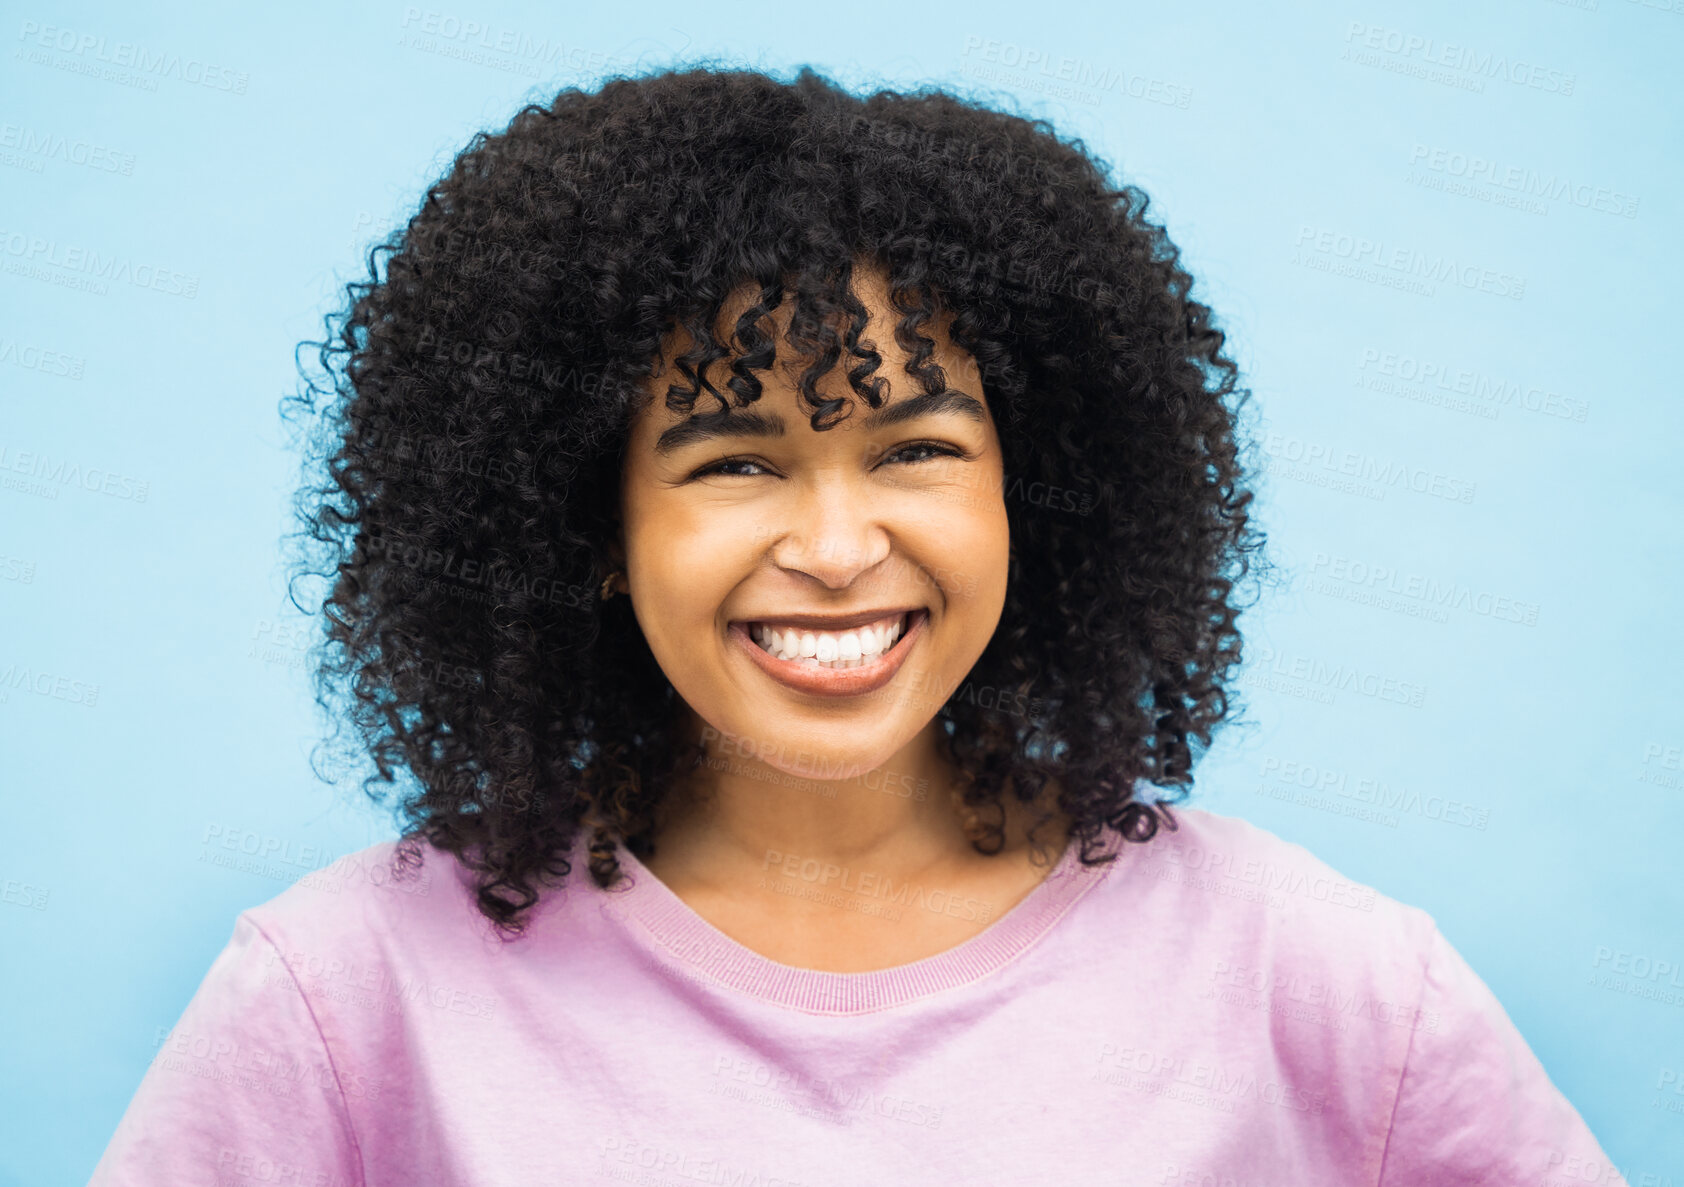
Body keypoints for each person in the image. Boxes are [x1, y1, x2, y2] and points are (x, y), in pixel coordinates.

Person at [88, 66, 1625, 1186]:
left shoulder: (1319, 982)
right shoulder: (343, 1002)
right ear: (590, 527)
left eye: (917, 449)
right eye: (734, 462)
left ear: (1039, 491)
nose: (835, 550)